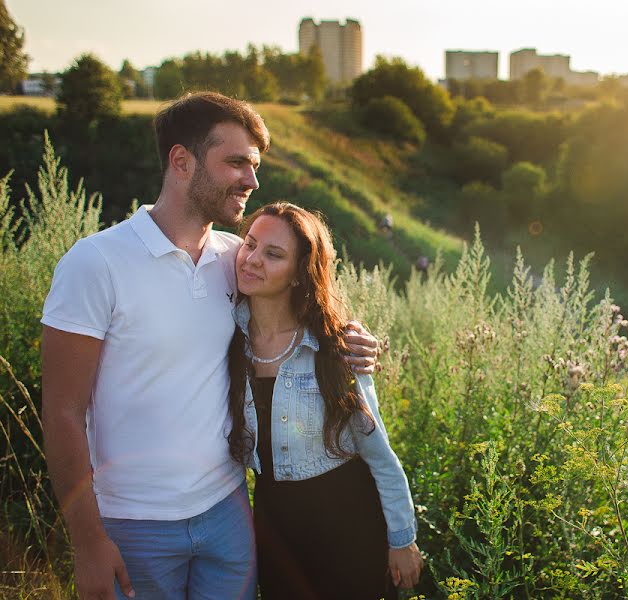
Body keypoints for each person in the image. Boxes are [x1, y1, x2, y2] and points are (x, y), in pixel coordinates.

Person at [40, 92, 380, 599]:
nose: (252, 180)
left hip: (227, 514)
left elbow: (303, 316)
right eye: (237, 162)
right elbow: (62, 412)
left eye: (255, 165)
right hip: (135, 524)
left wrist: (355, 341)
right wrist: (88, 542)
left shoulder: (235, 260)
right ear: (182, 161)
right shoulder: (95, 264)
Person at [228, 202, 424, 599]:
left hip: (347, 525)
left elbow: (379, 454)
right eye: (249, 244)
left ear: (300, 274)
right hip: (275, 529)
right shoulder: (225, 336)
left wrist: (402, 540)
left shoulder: (335, 348)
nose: (251, 260)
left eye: (273, 254)